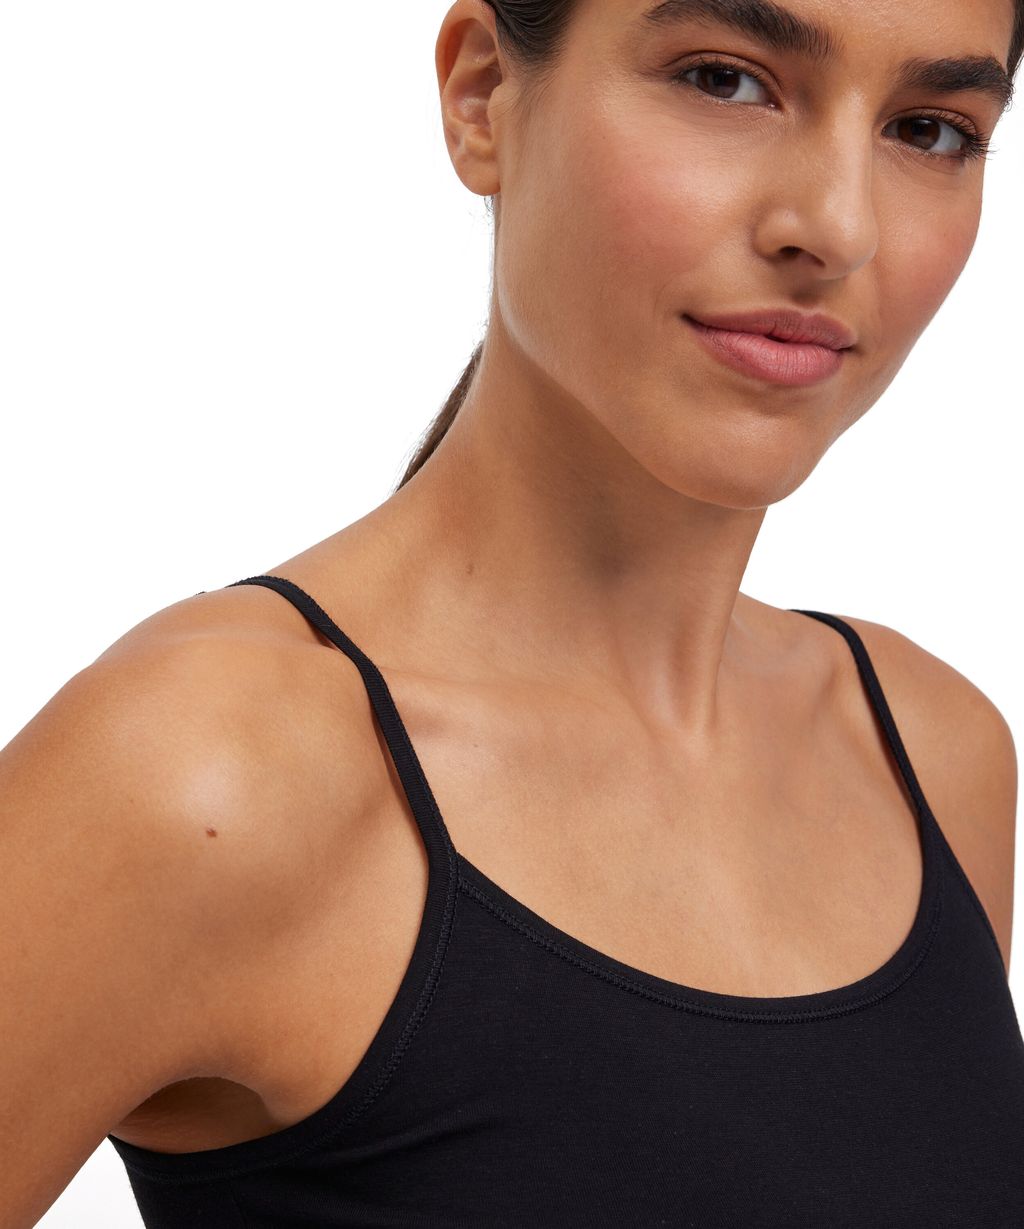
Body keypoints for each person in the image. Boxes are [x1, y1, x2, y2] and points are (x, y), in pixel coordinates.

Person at [3, 0, 1023, 1224]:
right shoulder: (208, 772)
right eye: (724, 80)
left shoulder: (934, 754)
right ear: (482, 94)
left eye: (929, 129)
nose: (837, 226)